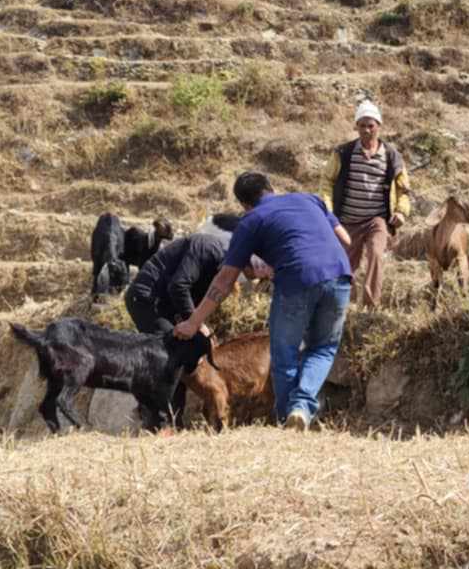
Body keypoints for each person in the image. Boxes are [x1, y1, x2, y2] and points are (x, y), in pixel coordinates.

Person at [174, 172, 354, 431]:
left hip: (296, 279)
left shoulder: (250, 221)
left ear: (244, 204)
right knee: (323, 348)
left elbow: (225, 280)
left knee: (284, 352)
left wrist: (193, 322)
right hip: (339, 275)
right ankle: (302, 407)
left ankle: (287, 417)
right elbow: (346, 239)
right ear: (272, 187)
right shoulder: (311, 199)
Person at [326, 99, 410, 308]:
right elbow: (326, 182)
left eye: (371, 125)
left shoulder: (391, 156)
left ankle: (370, 308)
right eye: (362, 125)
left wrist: (401, 211)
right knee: (346, 265)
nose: (366, 130)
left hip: (376, 219)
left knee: (376, 255)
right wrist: (328, 211)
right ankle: (341, 305)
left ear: (378, 126)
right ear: (356, 126)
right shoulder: (343, 153)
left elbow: (403, 189)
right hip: (348, 220)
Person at [124, 231, 270, 335]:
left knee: (191, 345)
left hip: (168, 303)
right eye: (249, 274)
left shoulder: (224, 265)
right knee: (172, 349)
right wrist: (196, 323)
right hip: (147, 296)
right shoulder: (208, 248)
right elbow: (178, 286)